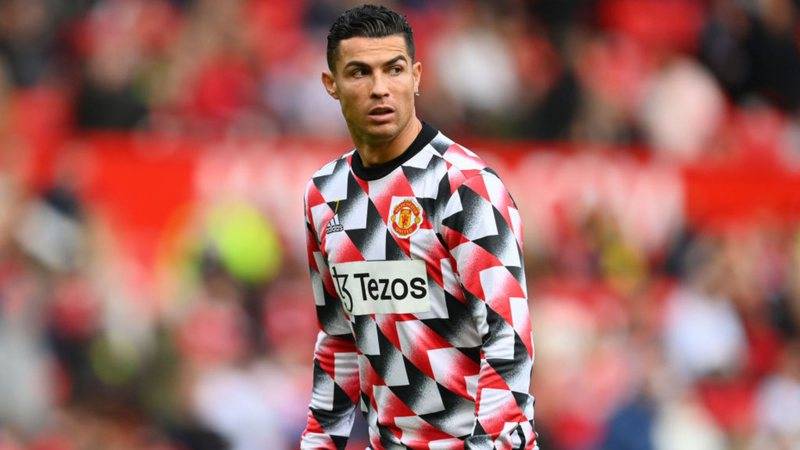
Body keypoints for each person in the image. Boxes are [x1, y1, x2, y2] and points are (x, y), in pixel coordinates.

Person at [300, 4, 537, 449]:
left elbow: (508, 343)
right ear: (331, 85)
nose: (379, 89)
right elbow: (339, 341)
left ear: (416, 76)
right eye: (359, 73)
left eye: (394, 69)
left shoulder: (463, 186)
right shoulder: (324, 194)